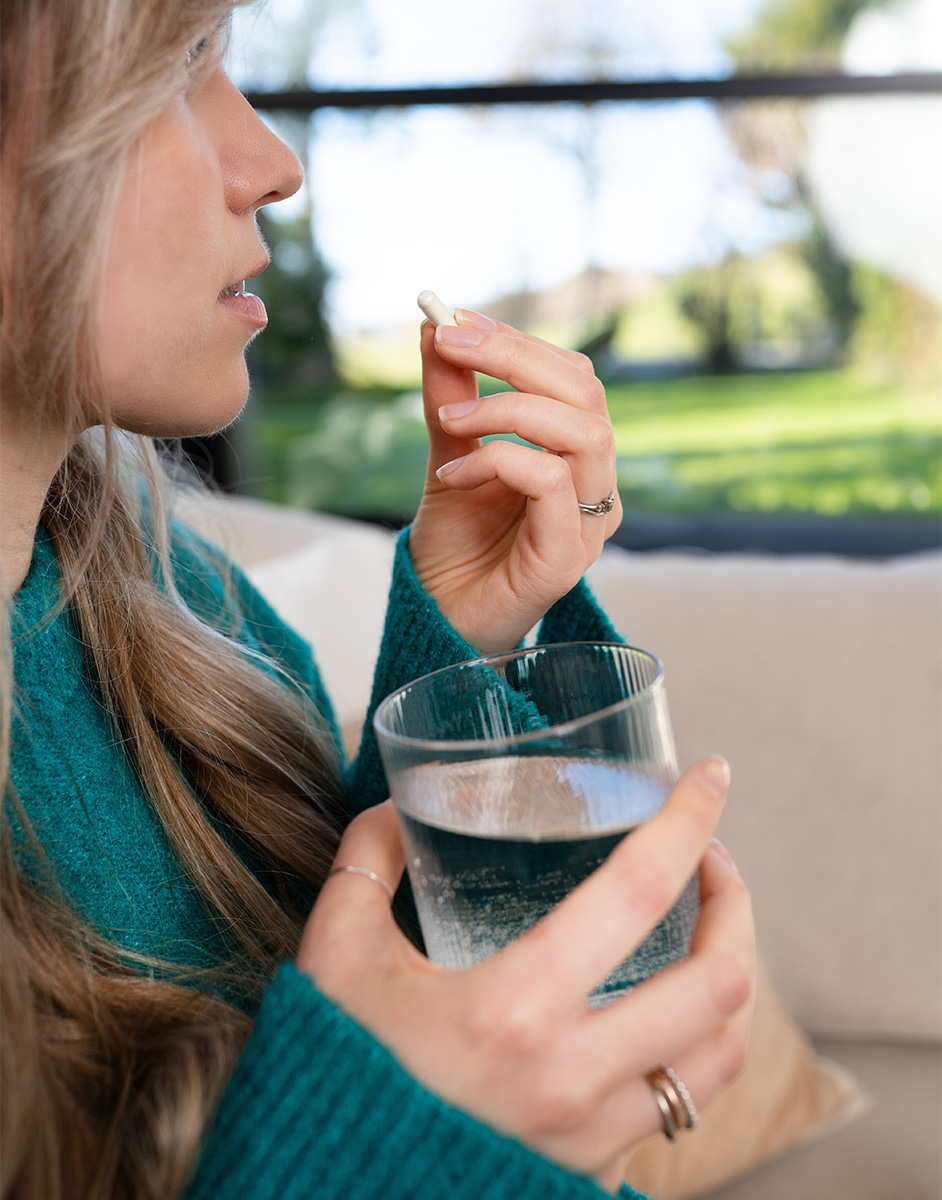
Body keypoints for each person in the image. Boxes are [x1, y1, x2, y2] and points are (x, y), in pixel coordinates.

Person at [0, 2, 756, 1198]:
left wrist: (461, 634)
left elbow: (368, 983)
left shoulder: (188, 604)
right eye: (177, 62)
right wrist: (388, 1139)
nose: (274, 164)